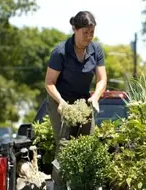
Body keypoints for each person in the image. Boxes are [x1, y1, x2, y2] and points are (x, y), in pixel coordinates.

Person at [45, 11, 107, 144]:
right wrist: (61, 101)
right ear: (74, 29)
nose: (89, 36)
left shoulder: (96, 50)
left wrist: (95, 96)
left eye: (92, 32)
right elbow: (49, 83)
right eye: (85, 32)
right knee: (64, 144)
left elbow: (101, 79)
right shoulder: (60, 52)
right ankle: (60, 164)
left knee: (86, 142)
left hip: (83, 102)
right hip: (60, 102)